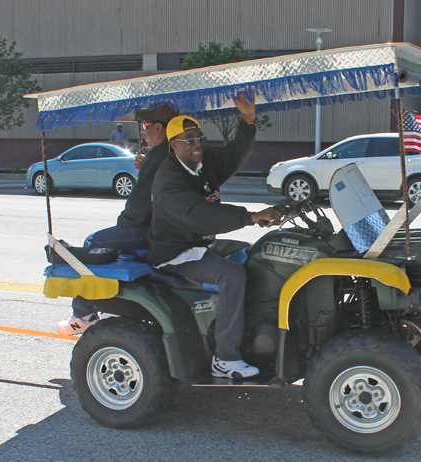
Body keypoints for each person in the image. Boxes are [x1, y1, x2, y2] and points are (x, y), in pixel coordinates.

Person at [148, 93, 282, 379]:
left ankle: (254, 326)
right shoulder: (168, 180)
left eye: (199, 137)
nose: (197, 144)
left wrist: (247, 119)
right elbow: (200, 215)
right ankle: (225, 358)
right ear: (173, 145)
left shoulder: (203, 163)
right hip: (177, 252)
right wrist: (251, 216)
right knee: (232, 275)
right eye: (189, 139)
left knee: (256, 254)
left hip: (203, 243)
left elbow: (235, 153)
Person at [56, 104, 178, 335]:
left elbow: (139, 207)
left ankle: (84, 314)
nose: (144, 132)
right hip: (165, 228)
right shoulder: (171, 153)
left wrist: (124, 221)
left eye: (147, 127)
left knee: (94, 243)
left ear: (160, 129)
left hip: (149, 229)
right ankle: (112, 307)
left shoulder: (160, 155)